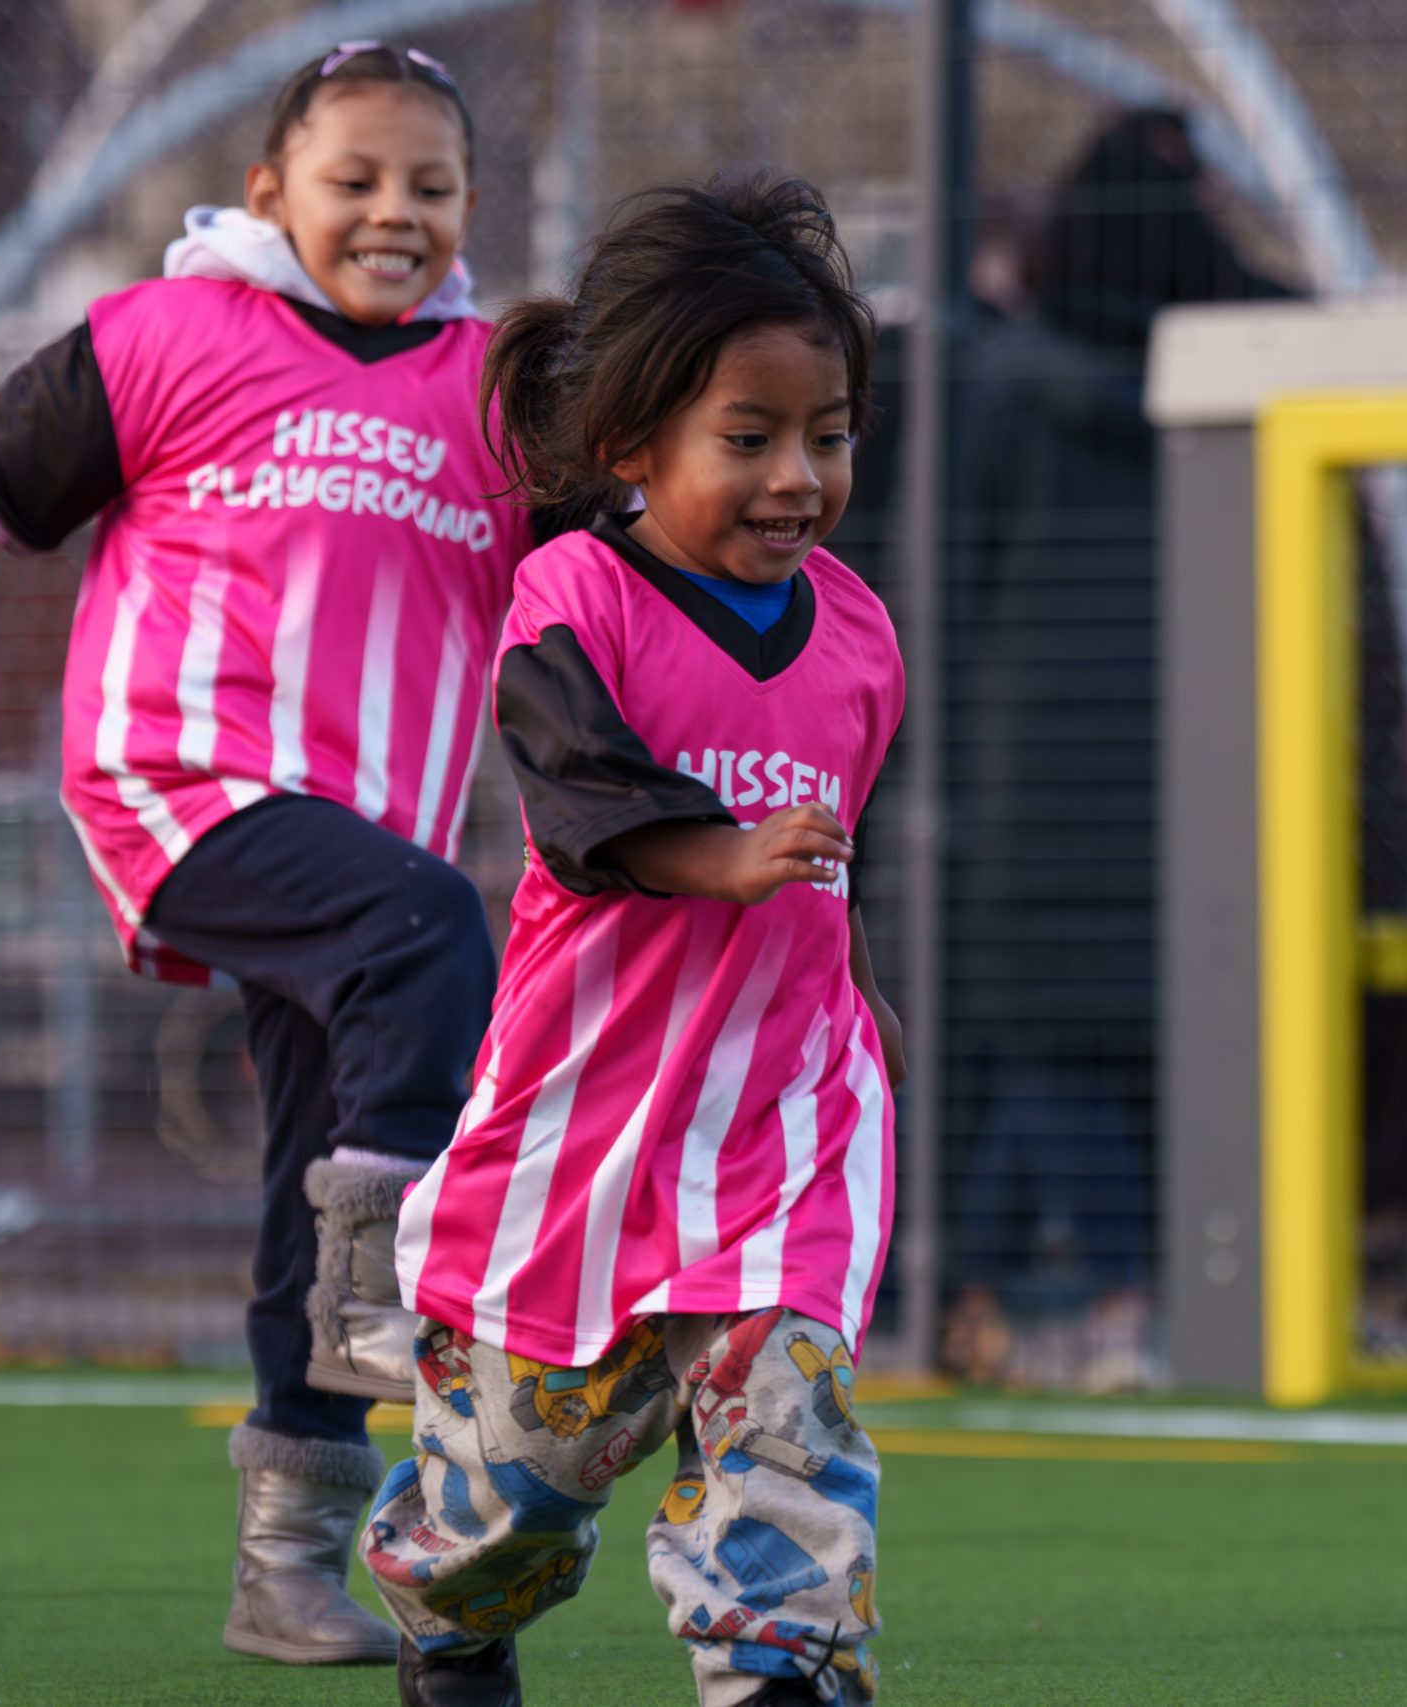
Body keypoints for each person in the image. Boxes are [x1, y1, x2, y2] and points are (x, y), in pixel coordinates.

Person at [0, 42, 543, 1665]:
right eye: (354, 180)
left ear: (470, 205)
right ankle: (385, 1280)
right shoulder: (165, 338)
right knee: (431, 934)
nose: (393, 211)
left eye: (430, 186)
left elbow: (605, 604)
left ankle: (286, 1559)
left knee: (322, 1143)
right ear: (271, 192)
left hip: (365, 855)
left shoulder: (505, 399)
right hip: (181, 784)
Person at [363, 175, 903, 1707]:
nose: (798, 476)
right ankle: (451, 1627)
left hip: (788, 1119)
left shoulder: (861, 632)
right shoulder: (573, 596)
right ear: (630, 445)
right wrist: (722, 856)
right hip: (582, 1130)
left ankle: (780, 1667)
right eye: (751, 437)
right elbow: (579, 792)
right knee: (510, 1490)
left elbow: (832, 855)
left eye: (829, 435)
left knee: (789, 1425)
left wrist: (863, 996)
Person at [943, 108, 1289, 1378]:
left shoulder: (1000, 387)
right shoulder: (1250, 385)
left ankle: (1100, 1299)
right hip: (1216, 761)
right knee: (1143, 1043)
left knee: (1044, 1042)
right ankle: (1004, 1291)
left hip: (1031, 777)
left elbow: (954, 584)